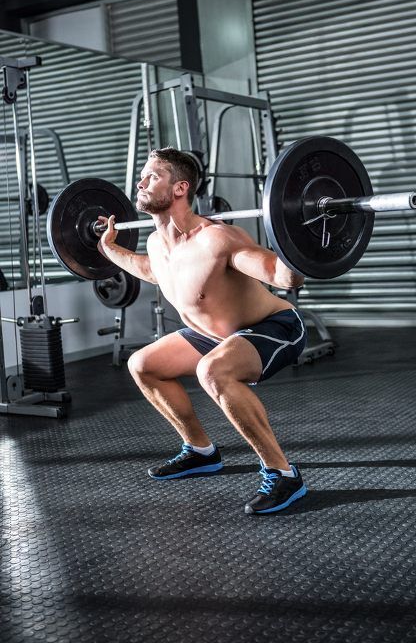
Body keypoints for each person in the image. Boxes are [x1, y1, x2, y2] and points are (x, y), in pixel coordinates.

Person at [96, 147, 308, 514]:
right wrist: (108, 247)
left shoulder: (218, 239)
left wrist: (300, 243)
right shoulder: (156, 244)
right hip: (213, 334)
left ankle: (283, 473)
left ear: (180, 188)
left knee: (212, 369)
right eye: (142, 175)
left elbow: (280, 275)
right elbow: (150, 270)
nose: (141, 181)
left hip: (272, 327)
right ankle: (200, 452)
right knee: (143, 365)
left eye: (153, 176)